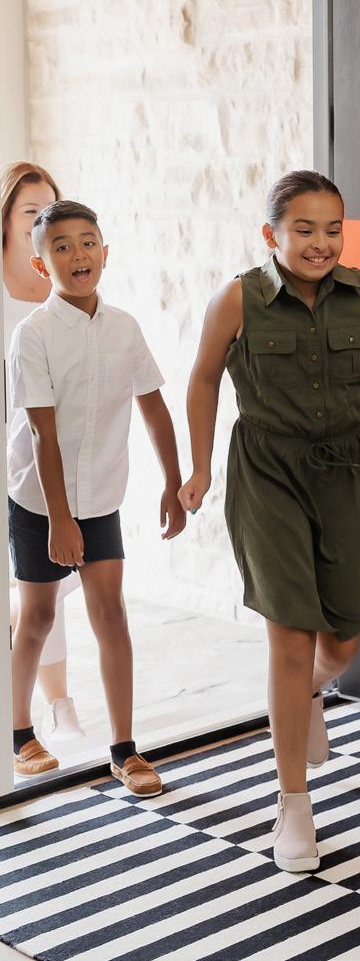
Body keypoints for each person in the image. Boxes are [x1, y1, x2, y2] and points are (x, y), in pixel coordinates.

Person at [179, 170, 360, 874]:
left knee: (340, 645)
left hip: (345, 472)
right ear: (271, 235)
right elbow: (202, 378)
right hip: (267, 474)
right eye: (304, 229)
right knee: (288, 638)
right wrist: (198, 468)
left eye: (333, 229)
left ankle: (312, 689)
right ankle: (293, 804)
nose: (321, 243)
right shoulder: (237, 299)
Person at [8, 200, 185, 789]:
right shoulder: (32, 335)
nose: (77, 254)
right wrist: (60, 520)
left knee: (111, 614)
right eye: (61, 247)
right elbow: (42, 433)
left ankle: (125, 751)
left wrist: (172, 482)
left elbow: (154, 407)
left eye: (87, 243)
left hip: (101, 495)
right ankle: (19, 733)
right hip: (39, 500)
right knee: (38, 616)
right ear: (42, 265)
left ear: (104, 253)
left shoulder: (124, 328)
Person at [3, 163, 86, 751]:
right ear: (7, 220)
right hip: (11, 461)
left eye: (49, 210)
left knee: (45, 590)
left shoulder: (64, 294)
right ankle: (44, 711)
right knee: (36, 593)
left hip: (49, 461)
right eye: (30, 211)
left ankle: (56, 705)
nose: (42, 221)